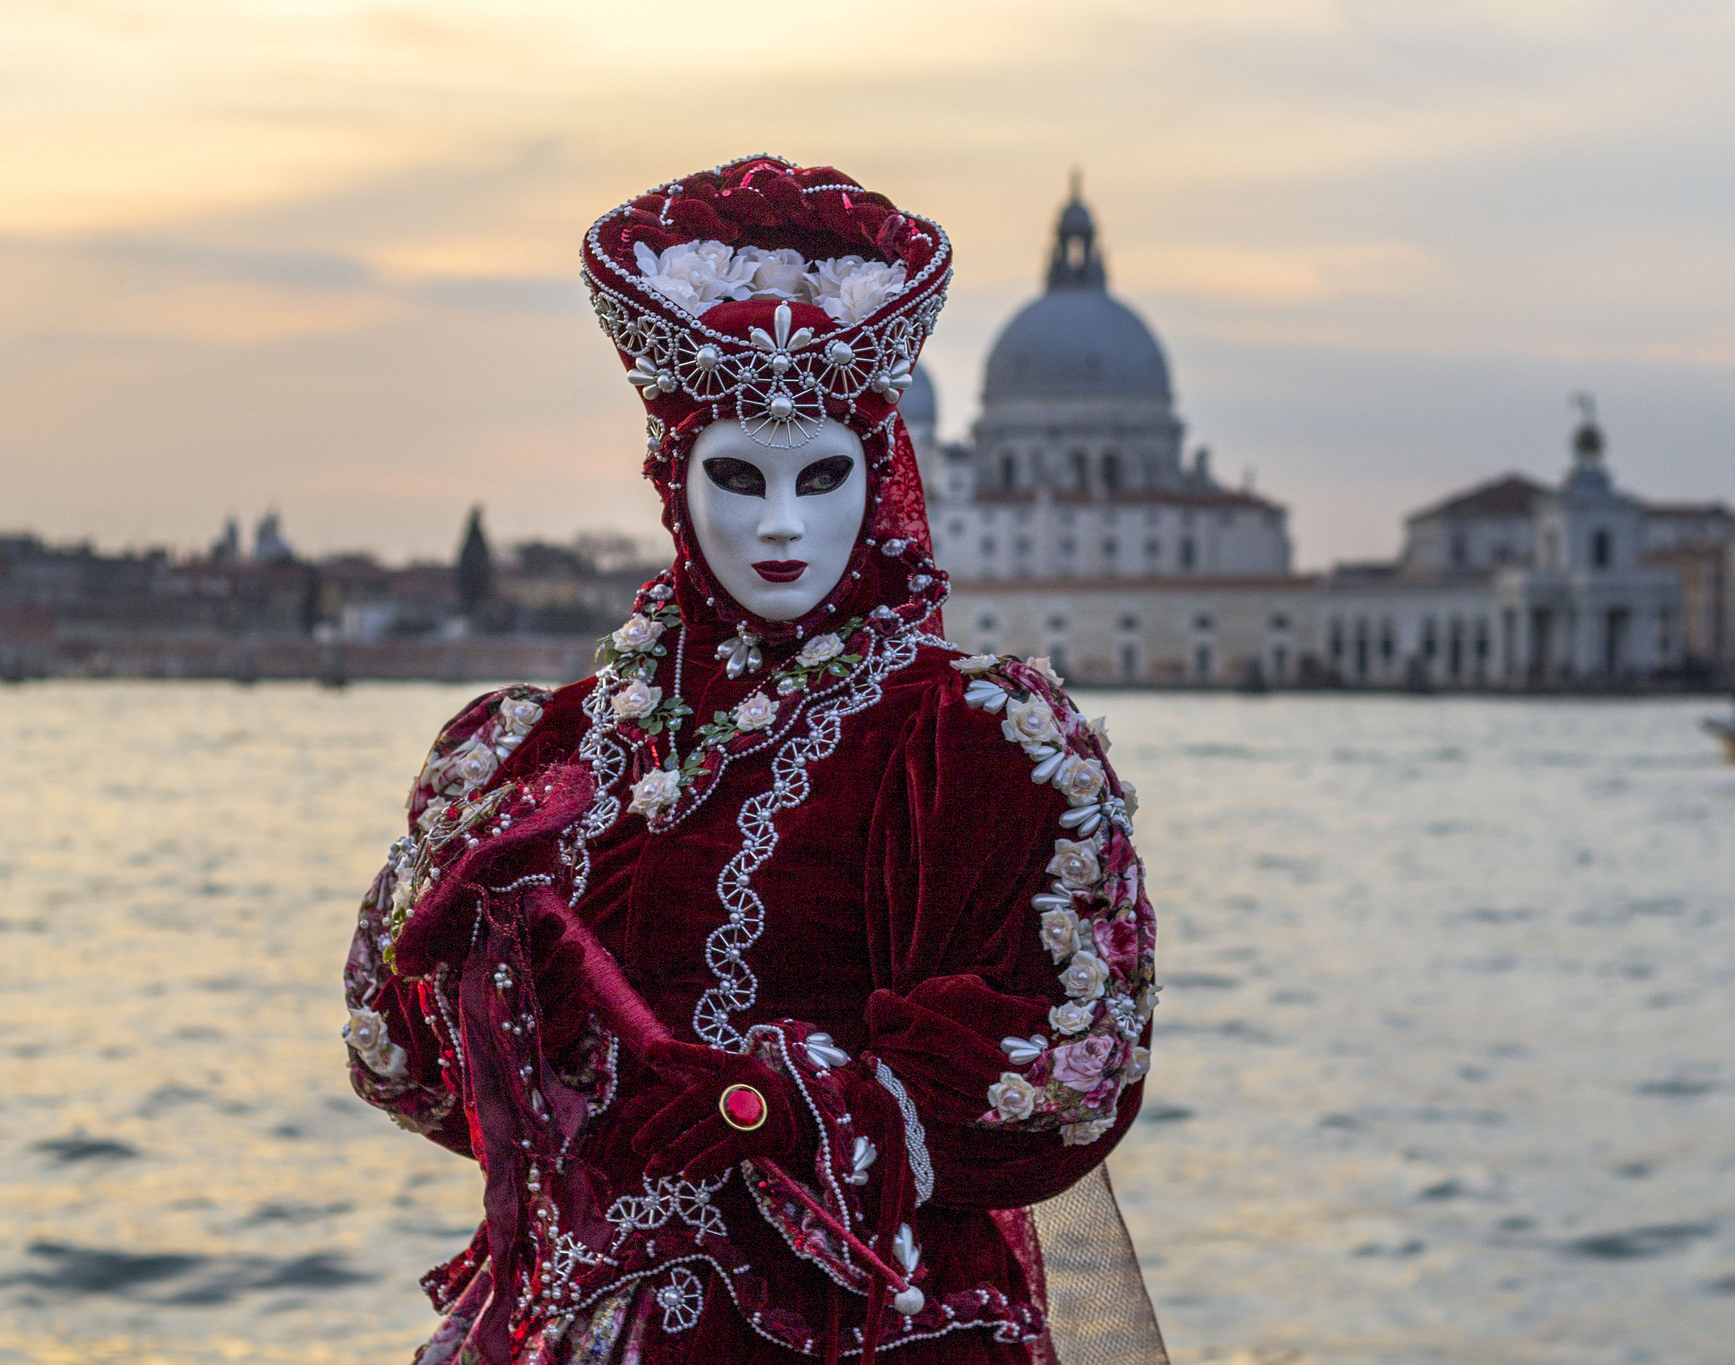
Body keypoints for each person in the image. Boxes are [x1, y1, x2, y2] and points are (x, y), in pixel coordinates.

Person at [341, 156, 1162, 1364]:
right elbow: (407, 1070)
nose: (781, 525)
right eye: (738, 476)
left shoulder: (973, 747)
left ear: (877, 477)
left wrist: (790, 1103)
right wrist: (478, 974)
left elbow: (1070, 1069)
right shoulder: (535, 754)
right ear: (675, 484)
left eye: (820, 476)